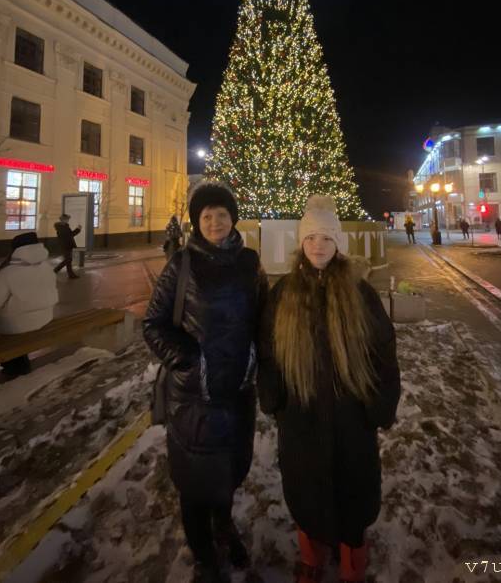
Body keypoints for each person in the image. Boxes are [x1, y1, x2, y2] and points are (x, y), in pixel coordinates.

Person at [257, 195, 401, 583]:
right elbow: (268, 351)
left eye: (325, 238)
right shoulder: (284, 292)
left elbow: (383, 351)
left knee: (354, 495)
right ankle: (312, 556)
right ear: (301, 243)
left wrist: (380, 404)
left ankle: (352, 564)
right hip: (300, 417)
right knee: (306, 493)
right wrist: (274, 399)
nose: (318, 245)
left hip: (352, 417)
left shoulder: (359, 291)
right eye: (310, 238)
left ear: (338, 243)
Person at [144, 183, 267, 583]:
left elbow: (263, 317)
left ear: (233, 218)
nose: (215, 222)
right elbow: (153, 324)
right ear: (197, 222)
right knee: (195, 482)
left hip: (238, 392)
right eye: (207, 216)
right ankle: (203, 554)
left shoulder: (249, 262)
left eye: (222, 214)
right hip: (194, 397)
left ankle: (223, 527)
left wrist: (258, 358)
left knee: (228, 471)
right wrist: (188, 361)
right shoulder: (181, 264)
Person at [0, 232, 58, 389]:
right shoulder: (47, 267)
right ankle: (16, 364)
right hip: (45, 318)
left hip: (17, 327)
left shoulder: (8, 272)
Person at [53, 213, 81, 279]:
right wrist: (78, 229)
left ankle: (70, 274)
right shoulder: (61, 227)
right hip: (65, 245)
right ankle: (55, 270)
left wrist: (77, 229)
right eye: (67, 219)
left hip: (67, 245)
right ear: (63, 219)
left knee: (68, 260)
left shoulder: (64, 226)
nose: (68, 220)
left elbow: (70, 235)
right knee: (68, 260)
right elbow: (70, 235)